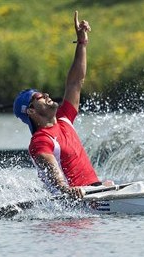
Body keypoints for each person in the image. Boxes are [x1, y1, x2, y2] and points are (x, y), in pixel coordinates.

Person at [13, 11, 108, 199]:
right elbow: (56, 178)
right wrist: (66, 190)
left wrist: (82, 42)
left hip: (95, 191)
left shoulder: (64, 119)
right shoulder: (40, 141)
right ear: (31, 110)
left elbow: (75, 82)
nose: (46, 95)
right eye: (39, 96)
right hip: (76, 202)